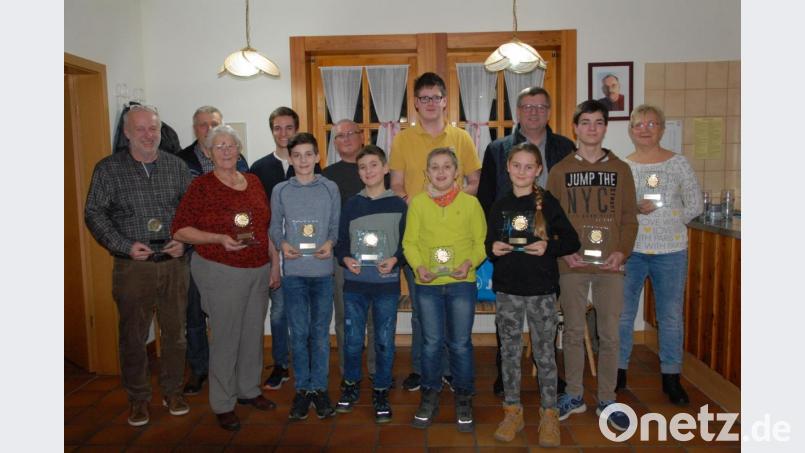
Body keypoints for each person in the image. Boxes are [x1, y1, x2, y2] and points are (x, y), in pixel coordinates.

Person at [84, 104, 192, 427]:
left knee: (176, 334)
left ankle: (173, 391)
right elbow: (94, 214)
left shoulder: (177, 167)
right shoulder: (107, 169)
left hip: (174, 263)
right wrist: (124, 246)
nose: (148, 135)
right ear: (127, 132)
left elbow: (191, 212)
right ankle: (138, 398)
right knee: (132, 335)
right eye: (141, 129)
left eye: (153, 129)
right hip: (133, 267)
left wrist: (184, 241)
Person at [171, 125, 277, 431]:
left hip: (257, 268)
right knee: (226, 337)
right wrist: (218, 238)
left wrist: (274, 263)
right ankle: (222, 402)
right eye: (219, 146)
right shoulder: (202, 186)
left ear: (239, 148)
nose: (226, 151)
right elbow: (179, 229)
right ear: (208, 152)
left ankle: (248, 390)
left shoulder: (254, 181)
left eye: (231, 145)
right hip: (220, 269)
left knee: (252, 333)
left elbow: (263, 227)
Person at [477, 86, 575, 397]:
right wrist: (491, 244)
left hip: (545, 257)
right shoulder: (497, 148)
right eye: (527, 106)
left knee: (546, 322)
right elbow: (486, 200)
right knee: (506, 331)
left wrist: (552, 245)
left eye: (540, 106)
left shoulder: (565, 146)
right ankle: (506, 378)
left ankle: (549, 377)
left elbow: (568, 209)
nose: (533, 112)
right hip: (509, 260)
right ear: (518, 111)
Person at [546, 100, 638, 432]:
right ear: (575, 127)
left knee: (609, 333)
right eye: (585, 122)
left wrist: (622, 252)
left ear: (605, 127)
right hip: (572, 263)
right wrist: (563, 253)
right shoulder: (560, 171)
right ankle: (573, 394)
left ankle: (607, 398)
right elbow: (550, 220)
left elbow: (629, 217)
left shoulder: (621, 169)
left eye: (598, 122)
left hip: (611, 265)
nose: (591, 129)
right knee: (571, 331)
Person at [389, 71, 482, 392]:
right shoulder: (402, 139)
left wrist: (450, 205)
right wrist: (423, 207)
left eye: (435, 97)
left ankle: (451, 371)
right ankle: (423, 369)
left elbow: (474, 181)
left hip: (455, 237)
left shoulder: (462, 138)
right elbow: (397, 185)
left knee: (452, 312)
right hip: (420, 236)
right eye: (423, 98)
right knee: (421, 307)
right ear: (415, 103)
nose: (430, 103)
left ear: (445, 101)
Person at [486, 143, 579, 446]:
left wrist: (547, 247)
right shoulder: (500, 204)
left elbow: (571, 241)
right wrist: (494, 249)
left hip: (541, 290)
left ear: (538, 170)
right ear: (508, 168)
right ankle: (512, 410)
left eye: (529, 166)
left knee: (545, 354)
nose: (522, 172)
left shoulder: (547, 203)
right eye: (517, 166)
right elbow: (490, 242)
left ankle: (549, 413)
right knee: (510, 354)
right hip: (508, 289)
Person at [617, 104, 703, 405]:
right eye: (638, 124)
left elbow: (696, 206)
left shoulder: (678, 163)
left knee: (669, 316)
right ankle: (618, 372)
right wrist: (633, 209)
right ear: (630, 130)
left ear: (662, 129)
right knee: (623, 315)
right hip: (632, 251)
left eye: (651, 124)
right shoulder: (623, 166)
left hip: (670, 251)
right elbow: (617, 210)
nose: (644, 128)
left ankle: (671, 377)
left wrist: (665, 207)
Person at [402, 147, 487, 432]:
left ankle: (464, 395)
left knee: (460, 343)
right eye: (435, 167)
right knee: (431, 342)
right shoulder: (418, 204)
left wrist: (468, 264)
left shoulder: (471, 204)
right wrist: (418, 267)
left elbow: (481, 245)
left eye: (446, 167)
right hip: (427, 285)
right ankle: (430, 393)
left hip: (462, 283)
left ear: (456, 172)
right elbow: (410, 243)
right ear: (427, 173)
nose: (440, 172)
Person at [176, 105, 251, 397]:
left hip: (235, 252)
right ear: (195, 130)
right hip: (198, 251)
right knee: (195, 313)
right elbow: (178, 208)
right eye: (203, 125)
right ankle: (199, 370)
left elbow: (247, 209)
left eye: (215, 124)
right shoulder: (181, 160)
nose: (209, 130)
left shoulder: (240, 161)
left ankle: (232, 374)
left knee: (231, 319)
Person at [250, 106, 322, 390]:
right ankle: (281, 364)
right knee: (279, 311)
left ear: (297, 129)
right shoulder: (258, 168)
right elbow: (260, 216)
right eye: (277, 128)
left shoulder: (309, 164)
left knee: (306, 312)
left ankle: (307, 363)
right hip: (273, 249)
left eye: (288, 128)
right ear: (272, 132)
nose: (283, 133)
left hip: (308, 253)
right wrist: (274, 254)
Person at [269, 132, 340, 421]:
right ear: (290, 158)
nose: (303, 160)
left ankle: (319, 388)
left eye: (308, 154)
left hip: (323, 272)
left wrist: (330, 244)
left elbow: (335, 227)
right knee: (298, 333)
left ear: (317, 157)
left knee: (320, 334)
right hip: (294, 273)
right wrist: (283, 244)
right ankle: (303, 390)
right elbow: (274, 227)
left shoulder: (330, 188)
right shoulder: (280, 191)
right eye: (296, 155)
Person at [334, 145, 407, 423]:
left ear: (386, 168)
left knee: (384, 341)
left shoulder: (398, 204)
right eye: (363, 167)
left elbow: (405, 244)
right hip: (355, 285)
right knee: (353, 340)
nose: (369, 171)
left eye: (374, 165)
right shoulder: (352, 204)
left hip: (386, 286)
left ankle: (380, 390)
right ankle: (351, 385)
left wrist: (396, 259)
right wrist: (345, 259)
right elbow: (341, 243)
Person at [323, 119, 390, 385]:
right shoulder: (326, 176)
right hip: (344, 259)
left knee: (376, 318)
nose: (347, 138)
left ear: (362, 137)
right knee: (345, 319)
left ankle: (375, 370)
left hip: (378, 257)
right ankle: (348, 373)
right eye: (340, 135)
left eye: (352, 133)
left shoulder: (379, 171)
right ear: (335, 142)